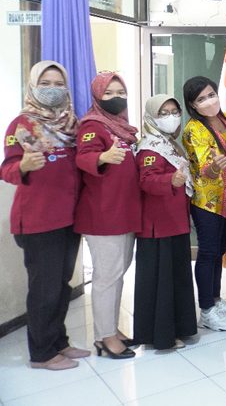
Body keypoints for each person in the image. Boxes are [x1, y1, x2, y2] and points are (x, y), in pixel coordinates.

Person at [1, 61, 89, 370]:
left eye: (58, 83)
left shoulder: (72, 124)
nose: (52, 89)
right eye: (46, 82)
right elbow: (7, 169)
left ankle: (58, 342)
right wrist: (24, 166)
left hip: (69, 218)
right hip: (38, 221)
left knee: (62, 284)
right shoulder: (21, 125)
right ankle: (41, 353)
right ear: (33, 85)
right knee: (44, 288)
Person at [75, 72, 142, 359]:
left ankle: (112, 330)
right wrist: (102, 158)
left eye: (121, 91)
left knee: (118, 275)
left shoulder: (122, 127)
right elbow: (83, 156)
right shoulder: (93, 125)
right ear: (97, 96)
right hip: (103, 216)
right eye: (109, 92)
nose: (117, 97)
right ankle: (104, 337)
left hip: (124, 213)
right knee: (106, 277)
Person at [133, 94, 197, 350]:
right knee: (161, 281)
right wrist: (169, 181)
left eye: (174, 111)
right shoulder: (149, 147)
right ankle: (162, 335)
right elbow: (146, 181)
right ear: (151, 117)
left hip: (175, 222)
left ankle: (181, 327)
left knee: (177, 277)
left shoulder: (170, 144)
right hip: (157, 226)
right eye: (164, 113)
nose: (171, 117)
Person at [182, 76, 226, 331]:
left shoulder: (225, 119)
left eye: (211, 94)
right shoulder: (193, 130)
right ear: (193, 105)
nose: (209, 101)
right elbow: (205, 169)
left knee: (219, 251)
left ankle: (216, 300)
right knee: (207, 253)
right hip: (207, 202)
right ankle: (206, 309)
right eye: (201, 99)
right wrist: (214, 167)